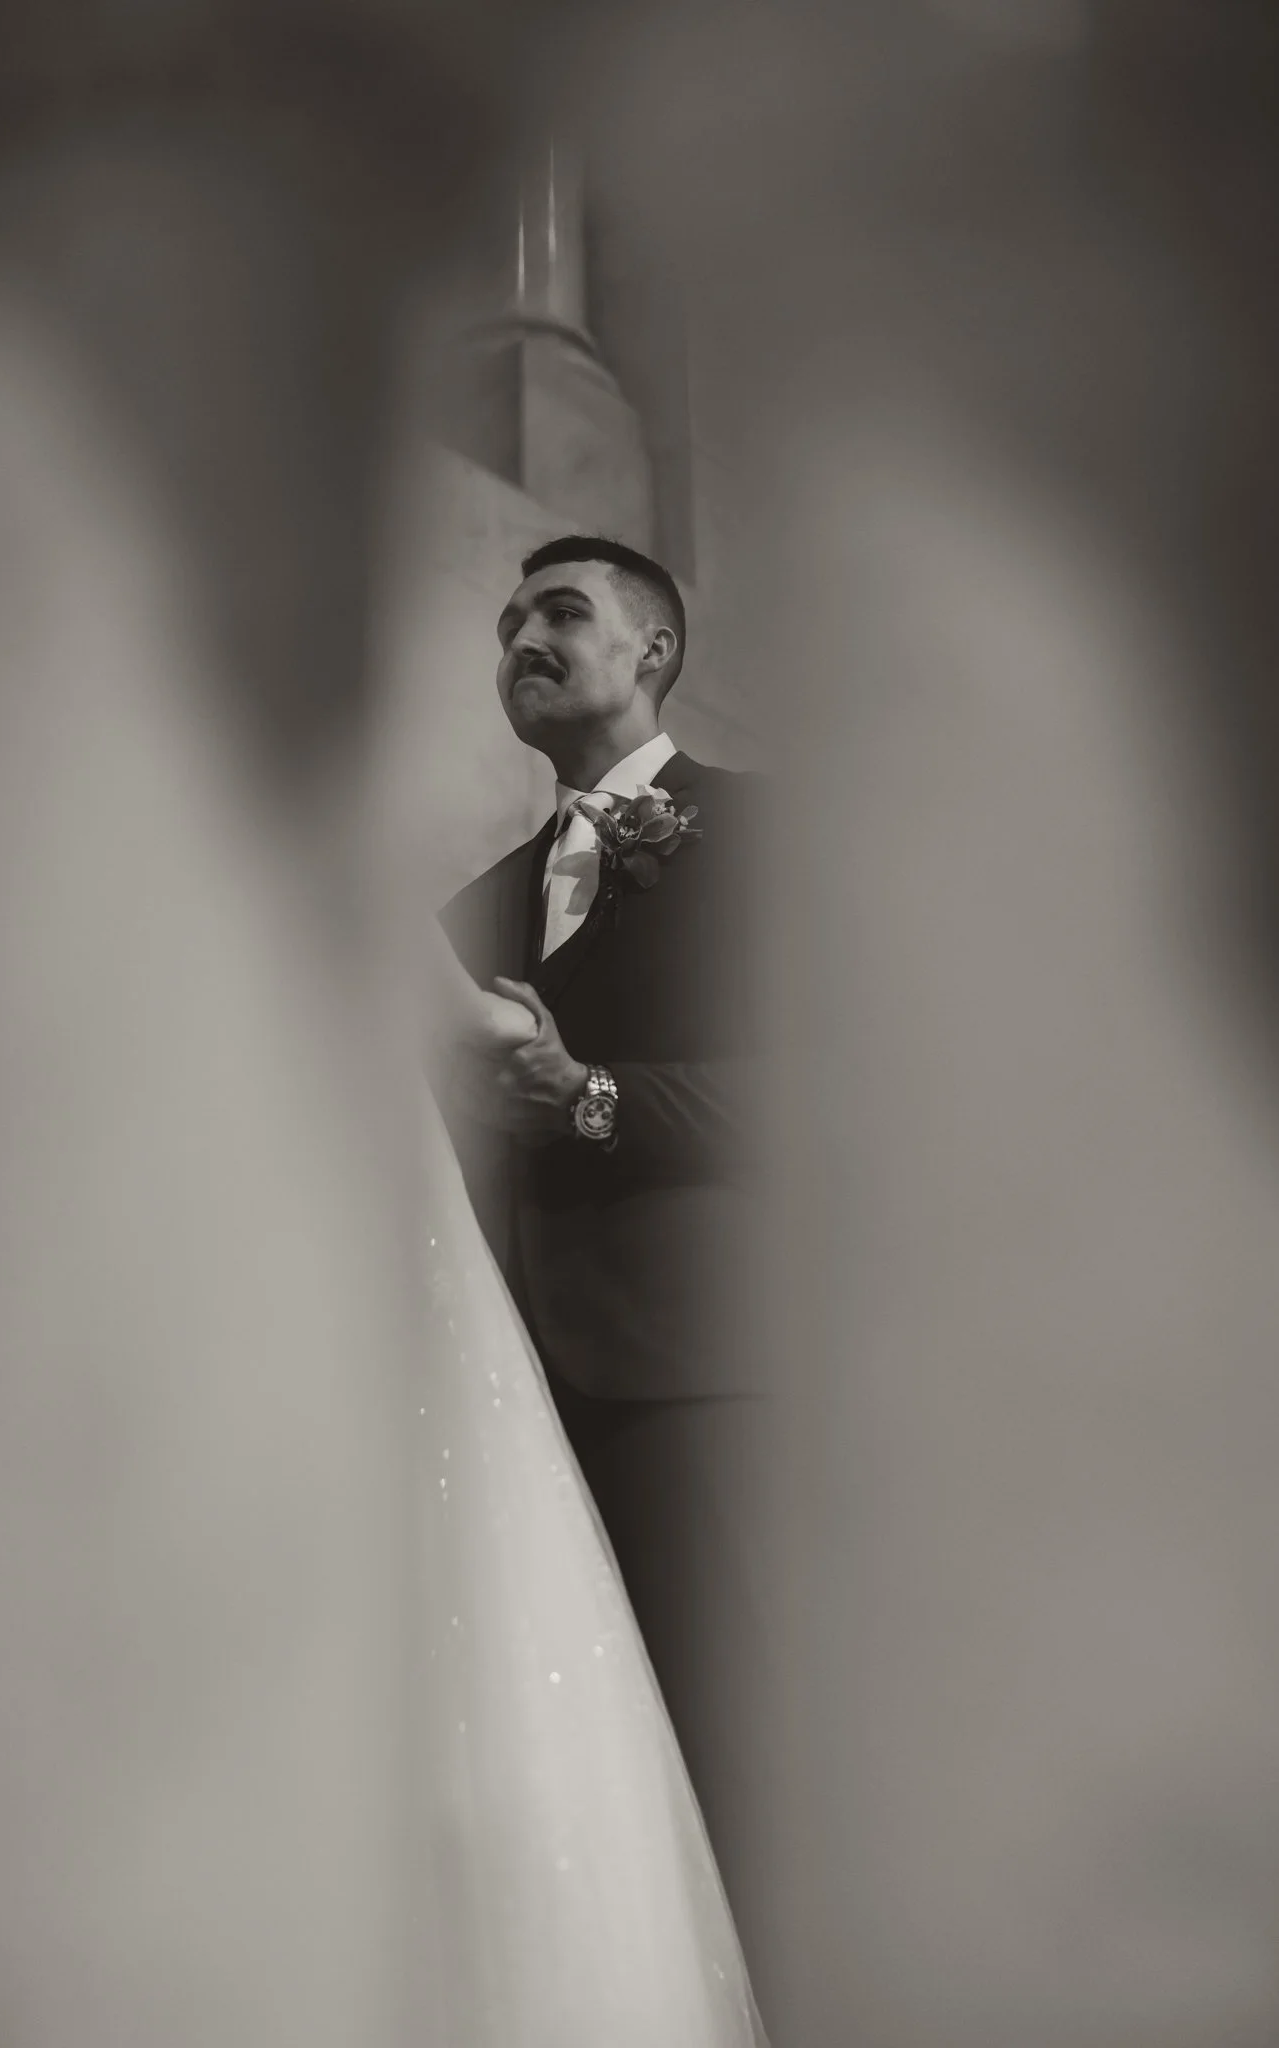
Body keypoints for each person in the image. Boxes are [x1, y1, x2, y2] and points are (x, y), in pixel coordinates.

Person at [438, 534, 771, 1983]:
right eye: (508, 617)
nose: (522, 632)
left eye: (560, 611)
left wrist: (594, 1097)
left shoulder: (768, 834)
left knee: (745, 1769)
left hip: (709, 1383)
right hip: (522, 1412)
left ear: (655, 653)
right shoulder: (465, 915)